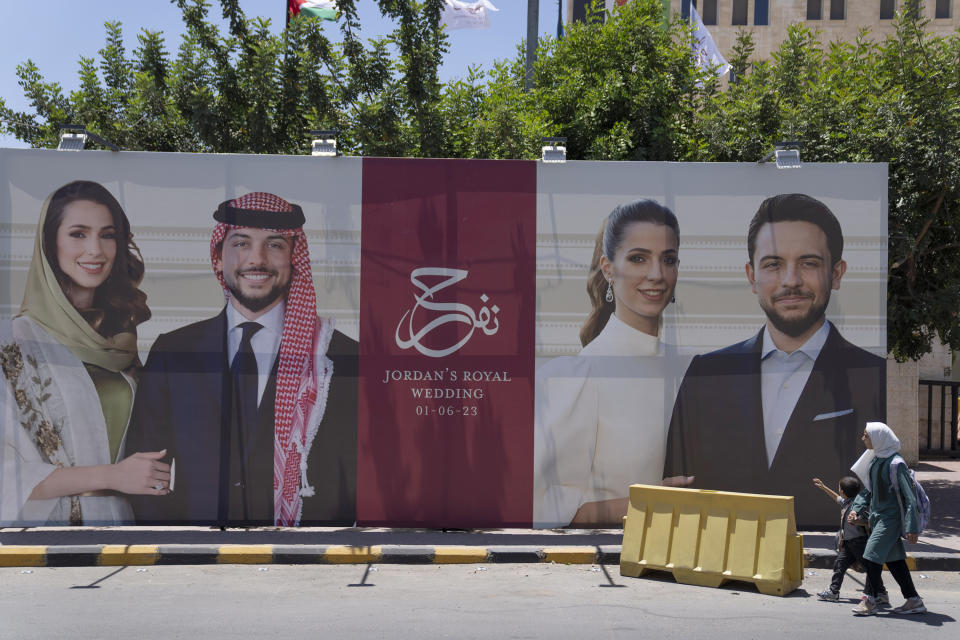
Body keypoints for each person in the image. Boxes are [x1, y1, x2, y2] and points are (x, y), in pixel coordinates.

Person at [126, 192, 357, 527]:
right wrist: (176, 546)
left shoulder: (338, 355)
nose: (257, 258)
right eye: (241, 243)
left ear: (294, 257)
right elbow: (145, 471)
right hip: (197, 558)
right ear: (218, 257)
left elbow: (356, 474)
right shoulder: (174, 351)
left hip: (308, 558)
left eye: (275, 244)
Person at [663, 193, 885, 527]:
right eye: (773, 264)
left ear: (836, 273)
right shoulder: (705, 375)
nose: (790, 280)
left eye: (809, 262)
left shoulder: (873, 378)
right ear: (752, 276)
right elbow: (676, 485)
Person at [0, 180, 169, 526]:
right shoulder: (12, 346)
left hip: (122, 529)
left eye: (107, 235)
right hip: (44, 537)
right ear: (51, 243)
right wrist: (110, 477)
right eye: (78, 233)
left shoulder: (120, 343)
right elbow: (6, 474)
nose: (95, 249)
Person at [534, 200, 688, 527]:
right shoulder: (577, 378)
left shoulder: (691, 370)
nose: (656, 274)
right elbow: (539, 505)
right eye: (638, 259)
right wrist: (647, 504)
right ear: (608, 268)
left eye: (668, 260)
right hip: (605, 566)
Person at [848, 422, 926, 615]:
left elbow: (910, 498)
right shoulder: (876, 460)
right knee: (894, 560)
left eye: (866, 435)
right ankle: (914, 600)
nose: (863, 438)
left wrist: (912, 527)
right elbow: (869, 490)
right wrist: (856, 509)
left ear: (879, 438)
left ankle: (870, 600)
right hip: (877, 518)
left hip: (890, 520)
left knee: (871, 554)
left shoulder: (896, 464)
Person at [812, 475, 888, 605]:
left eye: (839, 488)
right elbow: (837, 498)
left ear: (843, 491)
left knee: (870, 569)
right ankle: (833, 592)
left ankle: (881, 593)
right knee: (839, 565)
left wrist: (858, 521)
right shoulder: (847, 502)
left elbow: (870, 521)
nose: (839, 491)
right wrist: (824, 487)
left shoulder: (857, 506)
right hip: (848, 544)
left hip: (860, 543)